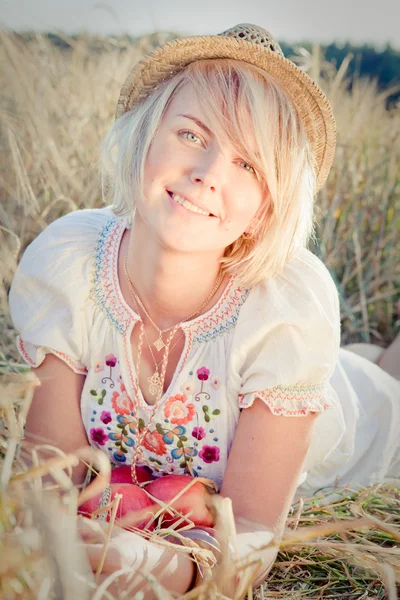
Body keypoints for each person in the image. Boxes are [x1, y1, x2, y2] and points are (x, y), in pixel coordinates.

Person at [8, 23, 400, 597]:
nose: (210, 173)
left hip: (363, 430)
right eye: (192, 135)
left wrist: (169, 567)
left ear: (269, 207)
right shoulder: (69, 268)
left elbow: (257, 531)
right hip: (277, 378)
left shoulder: (285, 308)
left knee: (384, 385)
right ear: (146, 135)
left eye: (250, 165)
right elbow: (51, 480)